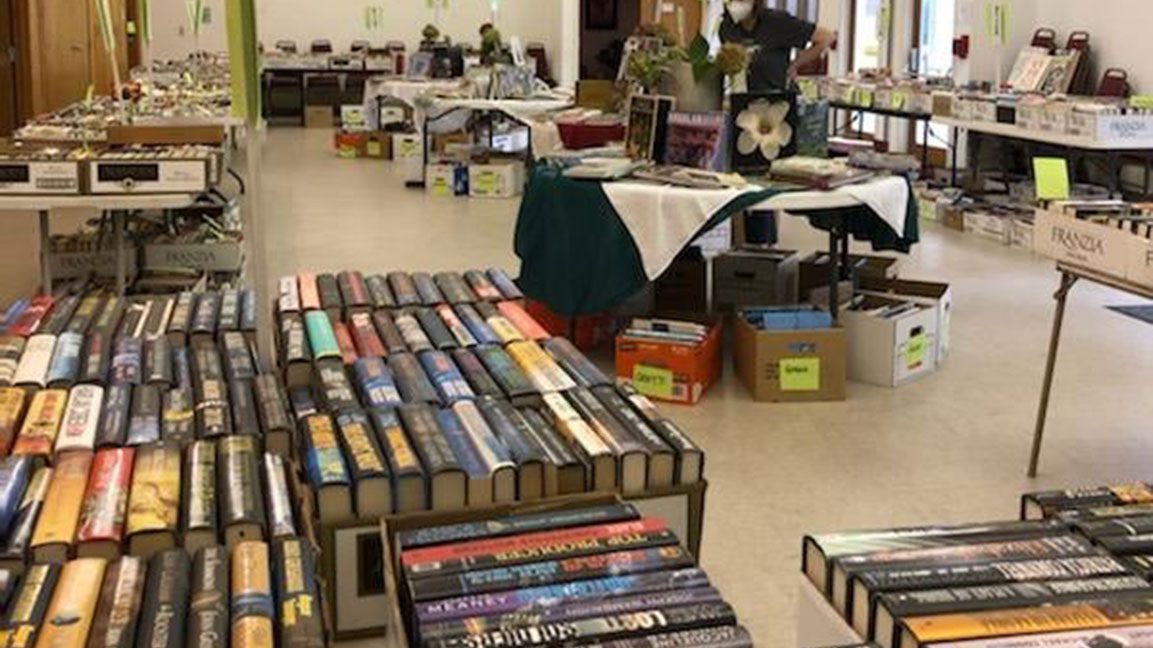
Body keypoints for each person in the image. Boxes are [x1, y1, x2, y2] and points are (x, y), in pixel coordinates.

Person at [720, 0, 836, 92]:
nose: (736, 4)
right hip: (741, 98)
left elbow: (826, 37)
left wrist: (794, 65)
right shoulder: (727, 28)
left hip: (776, 98)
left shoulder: (777, 22)